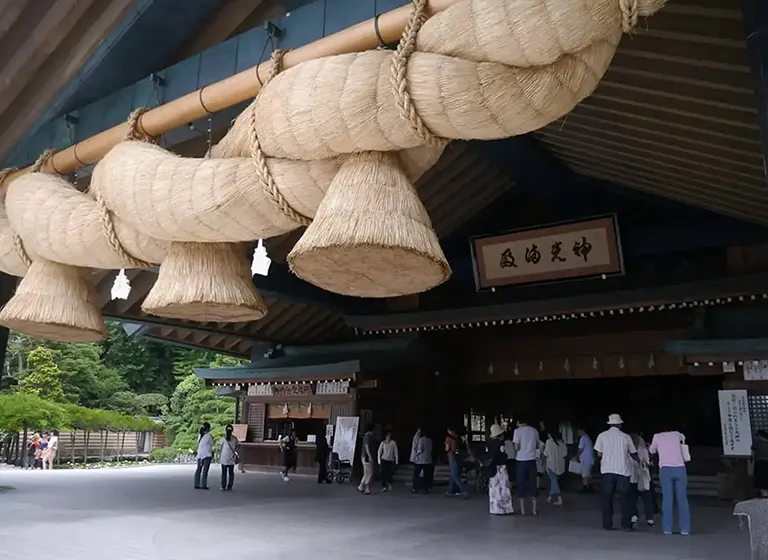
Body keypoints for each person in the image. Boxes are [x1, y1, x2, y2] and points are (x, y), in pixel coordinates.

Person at [594, 414, 638, 531]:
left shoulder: (602, 436)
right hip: (623, 471)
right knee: (625, 499)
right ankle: (626, 524)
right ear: (619, 424)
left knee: (607, 499)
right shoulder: (626, 437)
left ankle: (607, 524)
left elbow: (599, 454)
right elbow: (633, 453)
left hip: (607, 471)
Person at [649, 427, 690, 535]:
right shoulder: (677, 434)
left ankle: (667, 528)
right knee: (682, 499)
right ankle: (685, 529)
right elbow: (684, 439)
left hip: (665, 468)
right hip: (680, 468)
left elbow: (652, 450)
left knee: (667, 499)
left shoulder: (657, 436)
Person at [513, 418, 541, 515]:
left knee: (521, 483)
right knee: (532, 482)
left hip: (521, 460)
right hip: (532, 459)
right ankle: (534, 509)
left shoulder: (517, 431)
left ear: (518, 422)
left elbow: (517, 447)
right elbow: (537, 445)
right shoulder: (534, 430)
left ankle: (523, 510)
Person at [487, 424, 514, 515]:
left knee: (495, 489)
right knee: (503, 488)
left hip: (492, 468)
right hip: (501, 468)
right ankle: (504, 508)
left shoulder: (489, 443)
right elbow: (503, 455)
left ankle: (495, 508)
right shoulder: (500, 444)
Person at [628, 433, 654, 527]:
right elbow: (648, 462)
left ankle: (635, 516)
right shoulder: (643, 450)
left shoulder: (628, 451)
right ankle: (649, 518)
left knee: (633, 498)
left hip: (633, 477)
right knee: (646, 498)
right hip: (641, 477)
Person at [543, 427, 568, 506]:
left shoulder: (548, 442)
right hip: (560, 465)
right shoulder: (562, 442)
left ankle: (559, 499)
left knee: (554, 482)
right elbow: (565, 454)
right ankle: (550, 498)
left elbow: (546, 453)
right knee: (554, 481)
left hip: (551, 465)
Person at [445, 428, 468, 497]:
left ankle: (463, 490)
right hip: (460, 458)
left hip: (452, 457)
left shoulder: (449, 438)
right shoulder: (461, 439)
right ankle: (451, 490)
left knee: (455, 476)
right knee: (453, 475)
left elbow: (447, 448)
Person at [410, 428, 433, 493]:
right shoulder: (430, 440)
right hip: (428, 459)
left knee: (416, 474)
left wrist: (415, 456)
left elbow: (420, 450)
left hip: (421, 460)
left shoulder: (421, 440)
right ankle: (427, 487)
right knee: (427, 475)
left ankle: (415, 487)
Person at [219, 424, 239, 491]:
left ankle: (223, 486)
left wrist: (219, 456)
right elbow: (237, 447)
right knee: (231, 473)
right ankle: (230, 486)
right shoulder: (235, 438)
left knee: (224, 473)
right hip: (231, 458)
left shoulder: (223, 439)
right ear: (232, 430)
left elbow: (220, 448)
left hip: (224, 458)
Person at [194, 423, 213, 489]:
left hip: (200, 454)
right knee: (205, 470)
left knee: (198, 469)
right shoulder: (208, 436)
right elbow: (211, 444)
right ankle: (203, 485)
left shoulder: (200, 435)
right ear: (208, 428)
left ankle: (196, 484)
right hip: (207, 454)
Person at [575, 427, 595, 492]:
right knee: (588, 474)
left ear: (582, 431)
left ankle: (585, 487)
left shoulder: (583, 438)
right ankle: (589, 487)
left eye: (578, 431)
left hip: (585, 459)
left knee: (585, 474)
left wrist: (576, 457)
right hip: (589, 459)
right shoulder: (587, 438)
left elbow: (580, 449)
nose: (577, 433)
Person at [358, 423, 375, 495]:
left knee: (366, 473)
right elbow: (367, 446)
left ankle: (361, 487)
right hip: (366, 457)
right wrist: (370, 455)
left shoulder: (366, 436)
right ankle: (367, 489)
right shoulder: (368, 436)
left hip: (364, 456)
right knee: (369, 473)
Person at [753, 430, 768, 498]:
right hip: (763, 462)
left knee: (761, 479)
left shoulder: (757, 443)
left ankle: (764, 494)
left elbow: (753, 452)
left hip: (760, 462)